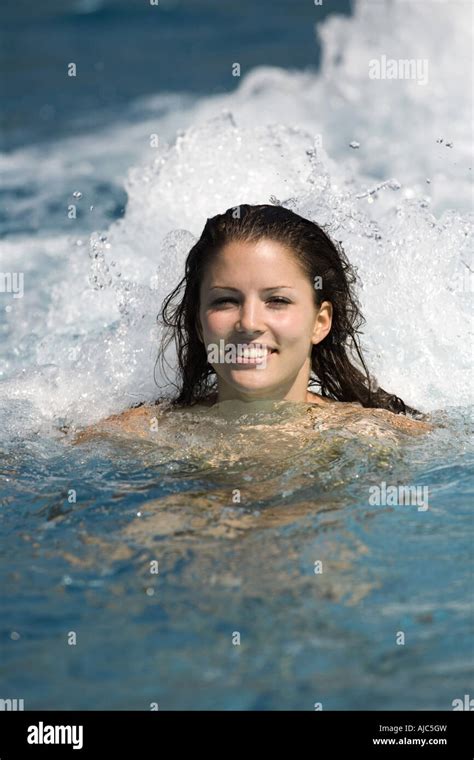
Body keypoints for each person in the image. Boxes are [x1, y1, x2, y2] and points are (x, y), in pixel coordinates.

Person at [76, 204, 431, 440]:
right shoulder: (142, 433)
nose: (248, 322)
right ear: (199, 324)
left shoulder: (374, 435)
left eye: (277, 300)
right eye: (225, 301)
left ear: (319, 322)